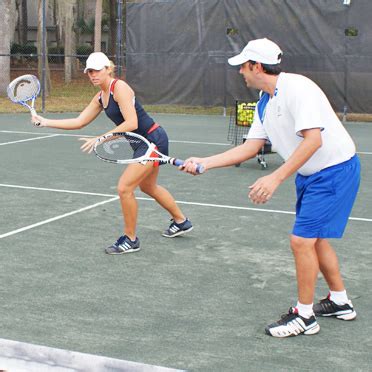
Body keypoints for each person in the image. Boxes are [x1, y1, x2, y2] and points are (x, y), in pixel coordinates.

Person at [182, 38, 360, 337]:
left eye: (244, 67)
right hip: (313, 174)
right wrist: (205, 162)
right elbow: (251, 147)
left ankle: (305, 317)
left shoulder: (297, 88)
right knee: (314, 240)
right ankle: (340, 302)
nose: (241, 73)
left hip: (333, 172)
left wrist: (274, 178)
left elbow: (313, 140)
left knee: (301, 241)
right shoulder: (265, 102)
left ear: (257, 66)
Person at [31, 52, 193, 254]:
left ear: (108, 69)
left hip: (152, 140)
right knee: (148, 186)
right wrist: (45, 122)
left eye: (97, 70)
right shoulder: (100, 96)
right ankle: (181, 221)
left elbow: (131, 122)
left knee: (124, 188)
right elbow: (79, 121)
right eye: (89, 71)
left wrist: (101, 138)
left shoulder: (120, 88)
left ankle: (131, 239)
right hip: (140, 143)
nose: (93, 74)